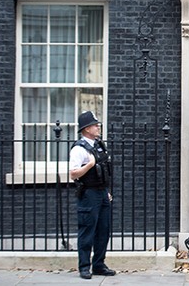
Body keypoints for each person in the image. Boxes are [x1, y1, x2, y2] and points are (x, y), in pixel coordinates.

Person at [69, 111, 116, 279]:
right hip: (88, 194)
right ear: (87, 128)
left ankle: (99, 264)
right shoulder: (79, 149)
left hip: (102, 193)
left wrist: (107, 191)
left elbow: (105, 171)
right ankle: (84, 267)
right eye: (95, 125)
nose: (98, 127)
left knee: (104, 230)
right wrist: (89, 164)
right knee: (87, 230)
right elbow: (73, 174)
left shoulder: (99, 145)